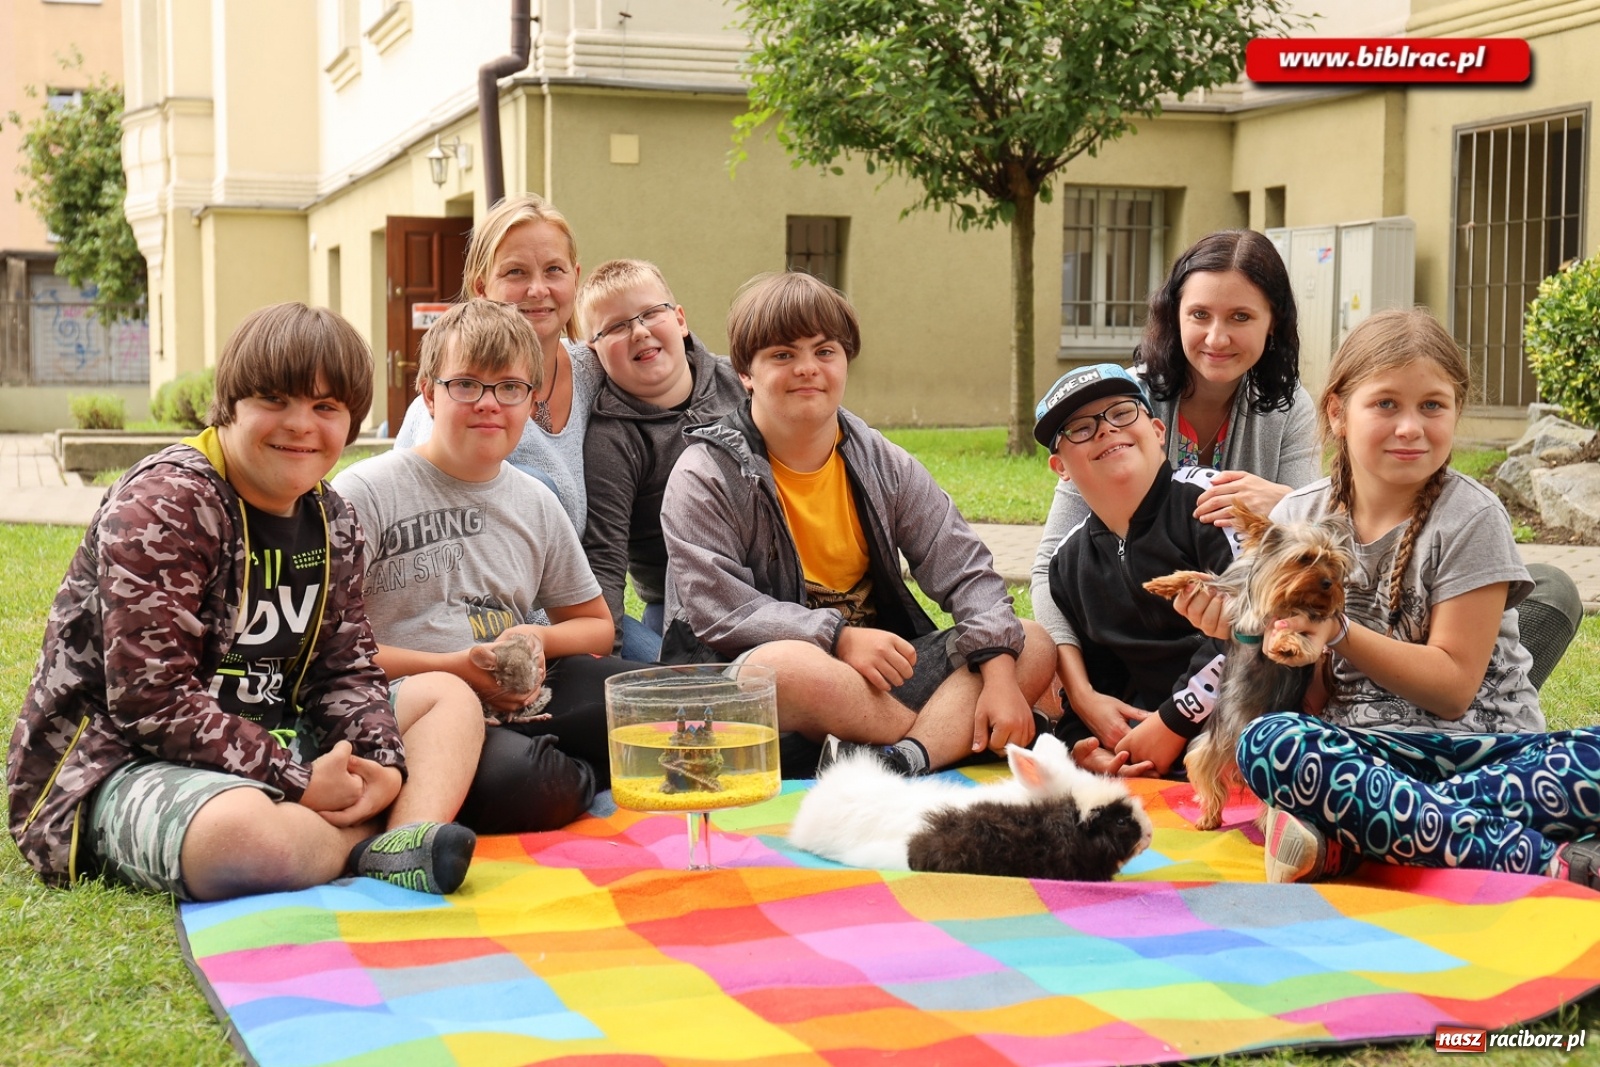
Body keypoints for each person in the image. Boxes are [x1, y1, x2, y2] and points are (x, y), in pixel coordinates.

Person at [8, 303, 483, 901]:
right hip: (121, 767)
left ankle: (405, 836)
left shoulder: (332, 518)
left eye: (325, 407)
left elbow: (344, 667)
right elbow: (148, 703)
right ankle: (362, 844)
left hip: (269, 738)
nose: (300, 425)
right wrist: (300, 779)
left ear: (352, 422)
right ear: (230, 405)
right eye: (275, 401)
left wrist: (378, 761)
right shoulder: (167, 504)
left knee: (449, 698)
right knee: (243, 838)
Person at [1186, 309, 1599, 888]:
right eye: (1385, 404)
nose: (1411, 427)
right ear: (1337, 411)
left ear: (1455, 411)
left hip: (1482, 751)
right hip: (1359, 753)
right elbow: (1300, 694)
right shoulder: (1296, 516)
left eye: (1433, 405)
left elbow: (1453, 689)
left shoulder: (1472, 517)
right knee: (1270, 743)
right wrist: (1247, 631)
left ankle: (1358, 837)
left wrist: (1339, 632)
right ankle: (1547, 857)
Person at [660, 271, 1056, 778]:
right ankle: (950, 737)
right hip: (763, 687)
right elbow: (721, 612)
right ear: (745, 373)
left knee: (1028, 642)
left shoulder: (881, 461)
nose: (808, 368)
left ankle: (896, 760)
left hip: (879, 673)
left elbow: (964, 568)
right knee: (783, 670)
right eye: (783, 355)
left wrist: (1000, 680)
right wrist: (837, 637)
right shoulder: (705, 473)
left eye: (825, 351)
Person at [335, 299, 640, 835]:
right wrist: (457, 667)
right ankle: (577, 773)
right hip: (422, 704)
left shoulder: (534, 501)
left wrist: (536, 638)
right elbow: (328, 650)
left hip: (528, 690)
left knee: (646, 703)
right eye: (467, 385)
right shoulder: (366, 492)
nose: (489, 404)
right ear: (428, 394)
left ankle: (562, 757)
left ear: (529, 401)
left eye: (510, 388)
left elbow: (596, 623)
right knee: (520, 785)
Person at [1031, 230, 1317, 754]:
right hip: (1143, 659)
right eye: (1200, 315)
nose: (1217, 337)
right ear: (1175, 314)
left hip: (1243, 641)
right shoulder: (1121, 405)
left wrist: (1280, 503)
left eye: (1241, 317)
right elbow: (1050, 563)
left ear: (1273, 321)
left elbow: (1311, 543)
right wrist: (1085, 694)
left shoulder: (1290, 408)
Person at [1035, 363, 1241, 777]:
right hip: (1148, 746)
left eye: (1122, 412)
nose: (1106, 429)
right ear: (1061, 468)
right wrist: (1084, 744)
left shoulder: (1214, 503)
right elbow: (1096, 682)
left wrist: (1173, 723)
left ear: (1159, 433)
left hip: (1247, 721)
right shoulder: (1069, 563)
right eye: (1079, 427)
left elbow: (1255, 629)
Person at [396, 194, 601, 535]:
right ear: (481, 287)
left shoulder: (594, 369)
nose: (538, 289)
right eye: (516, 272)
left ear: (575, 278)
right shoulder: (450, 406)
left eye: (554, 270)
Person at [578, 259, 746, 663]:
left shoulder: (740, 383)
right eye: (616, 327)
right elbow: (605, 559)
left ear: (680, 319)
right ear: (594, 351)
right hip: (682, 609)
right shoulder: (612, 439)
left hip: (774, 586)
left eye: (652, 313)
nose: (639, 331)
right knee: (684, 685)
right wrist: (605, 670)